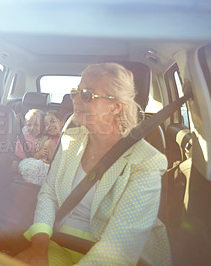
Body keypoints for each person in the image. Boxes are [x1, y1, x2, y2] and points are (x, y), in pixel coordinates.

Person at [15, 63, 171, 265]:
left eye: (87, 95)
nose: (76, 101)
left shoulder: (147, 161)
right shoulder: (70, 140)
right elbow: (49, 193)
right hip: (59, 241)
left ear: (115, 106)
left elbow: (118, 250)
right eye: (75, 93)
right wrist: (39, 246)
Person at [19, 111, 64, 185]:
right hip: (51, 166)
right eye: (46, 124)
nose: (50, 125)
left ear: (62, 123)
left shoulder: (67, 136)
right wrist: (40, 153)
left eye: (52, 121)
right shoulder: (46, 139)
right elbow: (35, 157)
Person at [13, 109, 46, 173]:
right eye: (29, 125)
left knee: (12, 165)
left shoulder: (42, 139)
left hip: (22, 161)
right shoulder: (25, 131)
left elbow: (38, 157)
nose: (32, 128)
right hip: (11, 154)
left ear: (42, 126)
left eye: (36, 125)